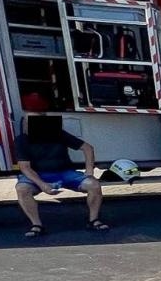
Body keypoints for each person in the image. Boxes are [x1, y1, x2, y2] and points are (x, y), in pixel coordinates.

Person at [14, 94, 108, 236]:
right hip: (39, 175)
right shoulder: (22, 140)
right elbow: (25, 168)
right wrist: (42, 184)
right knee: (21, 188)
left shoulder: (58, 134)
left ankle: (93, 221)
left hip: (65, 173)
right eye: (29, 120)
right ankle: (37, 225)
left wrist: (89, 172)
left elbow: (88, 148)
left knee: (94, 185)